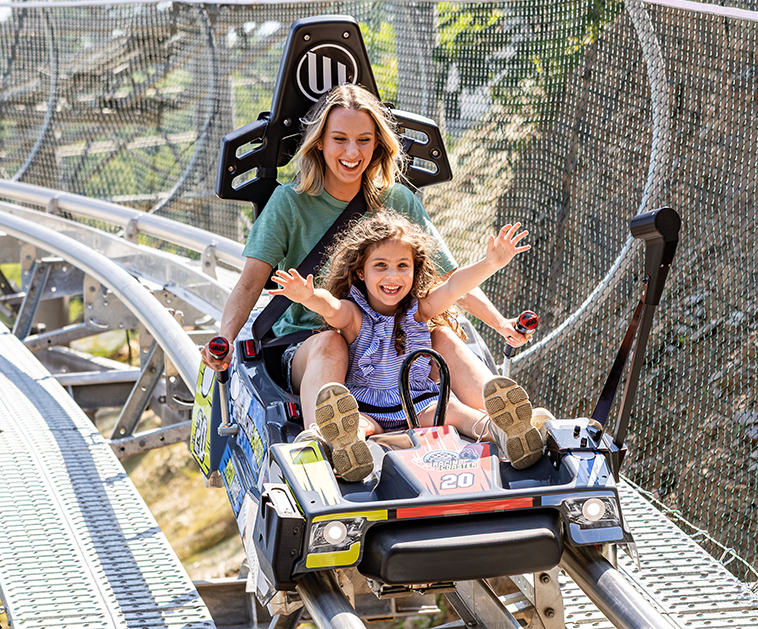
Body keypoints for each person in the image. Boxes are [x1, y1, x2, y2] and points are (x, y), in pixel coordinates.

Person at [200, 83, 534, 447]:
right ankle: (326, 441)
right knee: (331, 342)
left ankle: (508, 422)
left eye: (363, 140)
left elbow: (450, 280)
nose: (351, 152)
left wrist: (501, 324)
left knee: (442, 335)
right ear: (320, 143)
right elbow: (250, 284)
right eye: (339, 139)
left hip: (390, 340)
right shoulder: (289, 204)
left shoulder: (397, 200)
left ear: (377, 143)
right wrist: (226, 338)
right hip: (313, 341)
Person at [270, 210, 544, 481]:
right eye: (381, 266)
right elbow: (331, 308)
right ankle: (340, 445)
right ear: (360, 273)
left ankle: (504, 431)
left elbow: (453, 287)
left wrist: (490, 263)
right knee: (355, 425)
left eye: (403, 266)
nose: (393, 276)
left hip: (417, 405)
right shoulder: (355, 315)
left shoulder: (418, 311)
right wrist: (307, 296)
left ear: (415, 271)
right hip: (366, 407)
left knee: (456, 413)